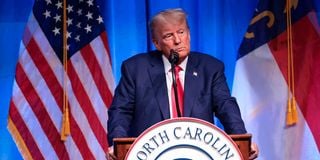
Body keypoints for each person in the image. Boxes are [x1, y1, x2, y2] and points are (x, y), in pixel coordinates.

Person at [107, 8, 258, 159]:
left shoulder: (210, 68)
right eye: (168, 36)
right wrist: (117, 144)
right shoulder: (135, 69)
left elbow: (226, 106)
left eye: (181, 32)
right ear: (156, 43)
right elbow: (121, 111)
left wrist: (242, 139)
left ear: (189, 34)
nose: (178, 40)